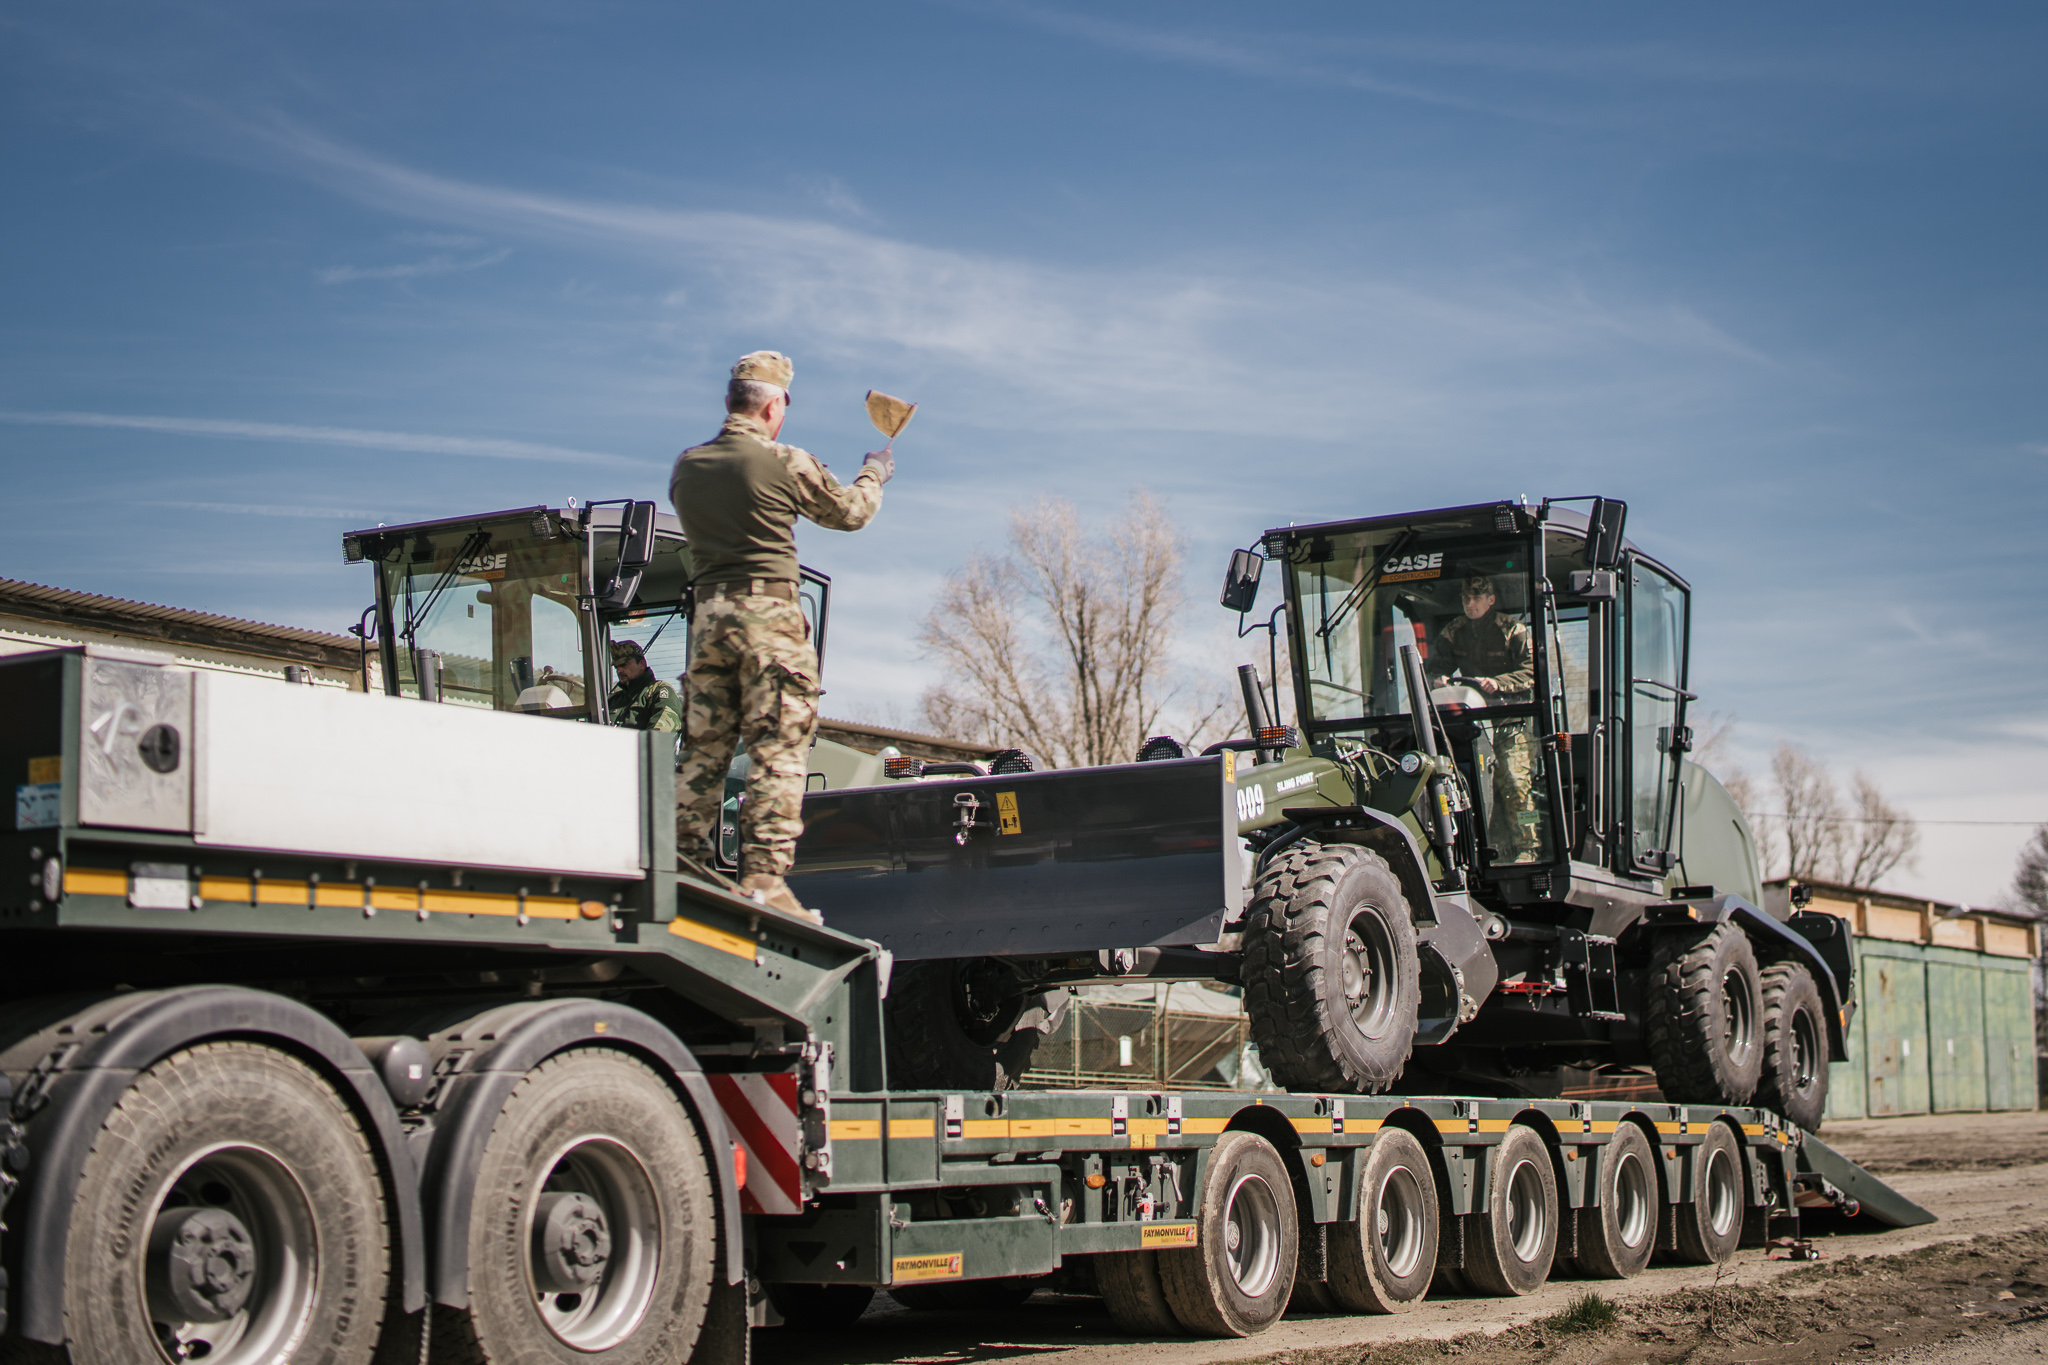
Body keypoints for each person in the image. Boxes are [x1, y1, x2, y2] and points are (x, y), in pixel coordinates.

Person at [670, 350, 892, 920]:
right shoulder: (785, 460)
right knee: (778, 749)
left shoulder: (687, 467)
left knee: (703, 751)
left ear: (730, 400)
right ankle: (764, 881)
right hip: (768, 620)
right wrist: (874, 471)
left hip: (707, 623)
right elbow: (850, 512)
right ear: (774, 406)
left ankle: (684, 869)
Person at [1431, 574, 1541, 861]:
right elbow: (1431, 669)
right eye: (1466, 598)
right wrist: (1438, 679)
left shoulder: (1513, 630)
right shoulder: (1453, 631)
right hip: (1474, 727)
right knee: (1477, 787)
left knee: (1516, 785)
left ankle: (1528, 849)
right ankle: (1492, 852)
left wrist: (1499, 683)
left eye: (1477, 598)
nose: (1470, 604)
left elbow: (1532, 672)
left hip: (1510, 723)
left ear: (1490, 600)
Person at [606, 639, 681, 731]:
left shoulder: (657, 692)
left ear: (641, 664)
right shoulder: (613, 700)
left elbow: (661, 733)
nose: (619, 671)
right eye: (616, 667)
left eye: (624, 665)